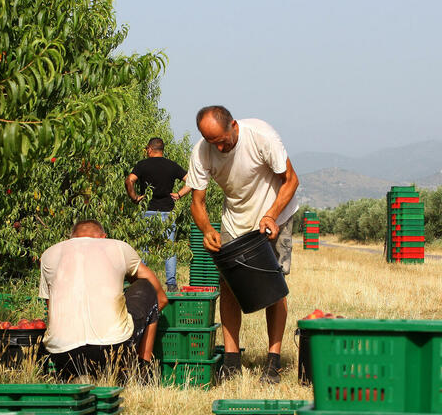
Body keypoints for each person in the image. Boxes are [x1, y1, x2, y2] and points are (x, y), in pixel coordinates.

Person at [187, 105, 300, 383]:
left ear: (233, 125)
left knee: (274, 286)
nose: (218, 147)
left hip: (276, 212)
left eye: (222, 140)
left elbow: (291, 180)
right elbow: (197, 202)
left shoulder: (261, 136)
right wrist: (207, 229)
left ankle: (273, 362)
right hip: (235, 219)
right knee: (227, 285)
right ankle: (231, 360)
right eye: (211, 142)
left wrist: (271, 215)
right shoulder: (202, 151)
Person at [39, 219, 169, 382]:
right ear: (104, 237)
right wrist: (149, 315)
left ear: (69, 239)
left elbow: (52, 313)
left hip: (62, 355)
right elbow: (161, 297)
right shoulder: (118, 247)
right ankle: (142, 371)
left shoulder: (49, 255)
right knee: (146, 286)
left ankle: (79, 374)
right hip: (110, 350)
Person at [125, 137, 192, 292]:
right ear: (162, 149)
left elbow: (129, 181)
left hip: (147, 211)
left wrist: (134, 198)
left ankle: (142, 282)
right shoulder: (172, 166)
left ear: (150, 149)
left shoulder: (142, 165)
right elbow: (191, 180)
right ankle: (171, 284)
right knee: (169, 249)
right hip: (167, 212)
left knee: (145, 248)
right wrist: (179, 194)